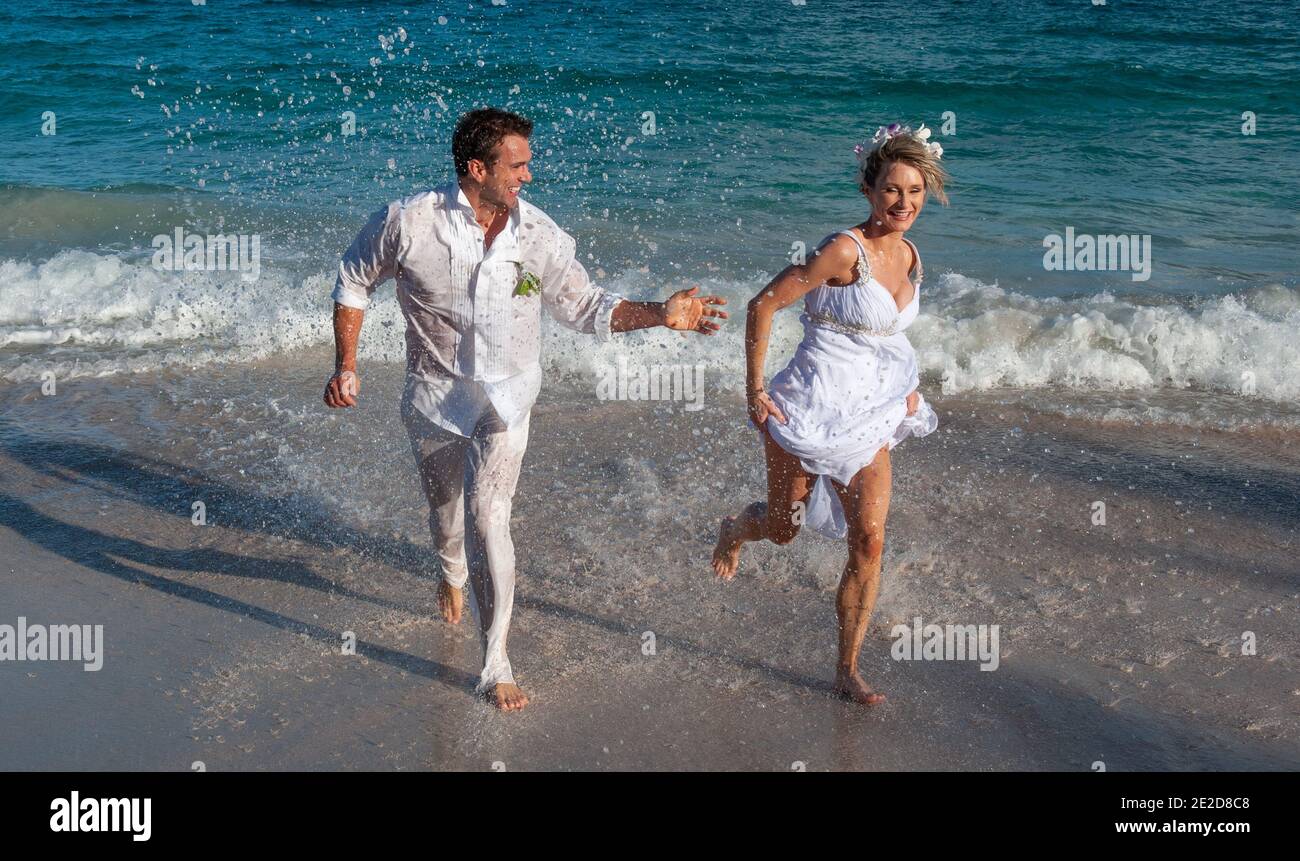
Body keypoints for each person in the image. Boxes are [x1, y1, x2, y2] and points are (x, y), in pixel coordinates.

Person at [325, 107, 727, 711]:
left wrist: (658, 313)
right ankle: (452, 570)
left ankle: (495, 663)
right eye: (517, 165)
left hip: (508, 400)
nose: (528, 177)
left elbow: (585, 305)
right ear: (476, 167)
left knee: (491, 517)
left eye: (528, 163)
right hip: (434, 399)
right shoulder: (408, 222)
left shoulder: (539, 234)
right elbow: (354, 280)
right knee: (446, 518)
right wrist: (346, 364)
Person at [711, 122, 945, 706]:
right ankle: (739, 528)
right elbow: (763, 304)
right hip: (807, 410)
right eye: (892, 190)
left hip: (871, 416)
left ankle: (847, 670)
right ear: (869, 189)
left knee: (868, 540)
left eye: (914, 192)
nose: (904, 203)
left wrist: (904, 390)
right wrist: (753, 389)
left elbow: (884, 338)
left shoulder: (913, 256)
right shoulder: (844, 250)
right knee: (784, 530)